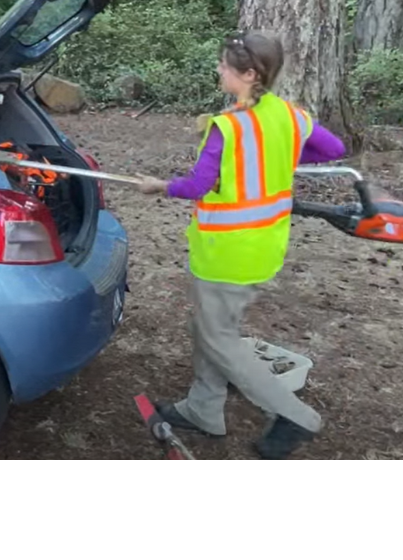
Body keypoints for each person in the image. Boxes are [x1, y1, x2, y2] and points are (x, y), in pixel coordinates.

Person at [137, 32, 346, 460]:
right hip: (264, 247)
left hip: (224, 253)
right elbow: (335, 148)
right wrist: (284, 156)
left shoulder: (227, 127)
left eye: (224, 66)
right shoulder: (289, 115)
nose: (219, 70)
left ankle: (296, 417)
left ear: (250, 74)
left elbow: (197, 184)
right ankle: (203, 408)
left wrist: (159, 186)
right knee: (210, 329)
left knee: (218, 339)